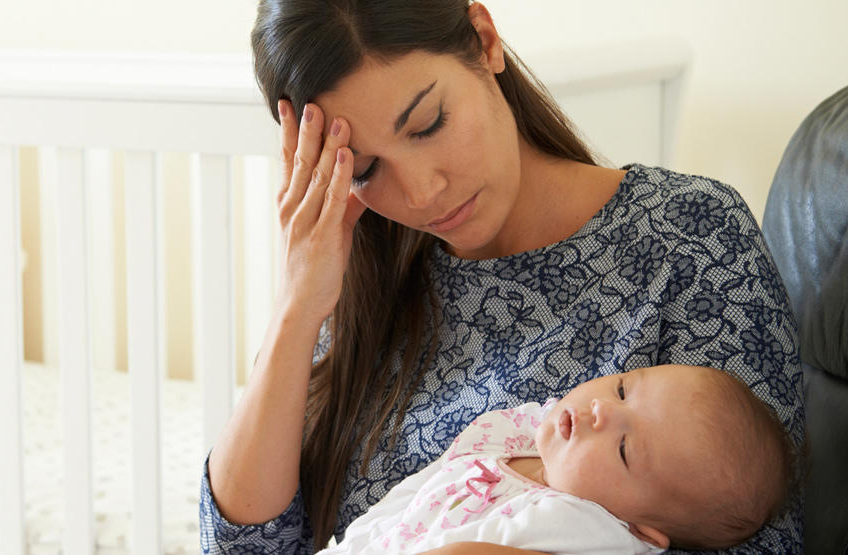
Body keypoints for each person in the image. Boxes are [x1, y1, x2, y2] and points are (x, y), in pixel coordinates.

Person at [200, 1, 804, 553]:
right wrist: (296, 308)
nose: (421, 192)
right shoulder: (358, 282)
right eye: (365, 169)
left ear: (484, 41)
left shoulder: (690, 236)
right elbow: (244, 547)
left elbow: (755, 540)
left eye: (429, 123)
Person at [317, 364, 796, 554]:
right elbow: (417, 493)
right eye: (624, 389)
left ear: (642, 531)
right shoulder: (530, 432)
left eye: (626, 449)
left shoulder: (589, 526)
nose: (601, 411)